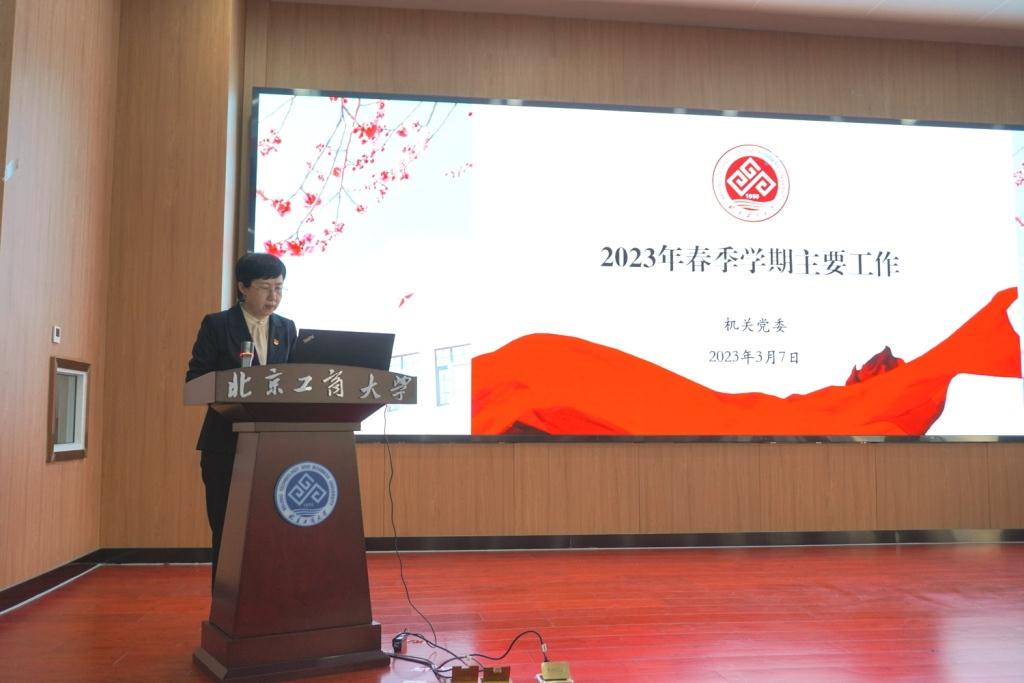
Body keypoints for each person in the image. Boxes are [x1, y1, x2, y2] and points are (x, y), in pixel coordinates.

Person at [186, 252, 298, 588]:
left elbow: (295, 383)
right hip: (226, 445)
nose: (273, 296)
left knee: (272, 529)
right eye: (265, 287)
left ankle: (269, 597)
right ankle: (226, 602)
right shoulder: (217, 325)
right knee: (228, 529)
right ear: (243, 287)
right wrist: (237, 386)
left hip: (274, 448)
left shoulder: (287, 328)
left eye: (279, 288)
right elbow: (197, 379)